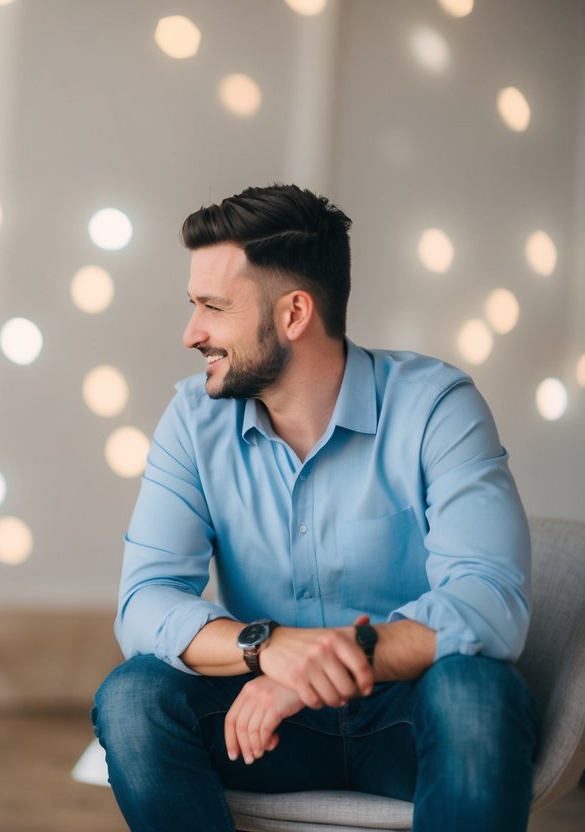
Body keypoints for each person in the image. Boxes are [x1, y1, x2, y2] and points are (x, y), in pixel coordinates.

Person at [91, 184, 536, 831]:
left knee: (477, 695)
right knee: (132, 698)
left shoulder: (435, 405)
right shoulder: (192, 419)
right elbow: (144, 604)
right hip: (261, 730)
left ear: (292, 314)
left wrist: (310, 669)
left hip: (405, 720)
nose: (192, 334)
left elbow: (489, 603)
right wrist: (265, 648)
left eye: (212, 308)